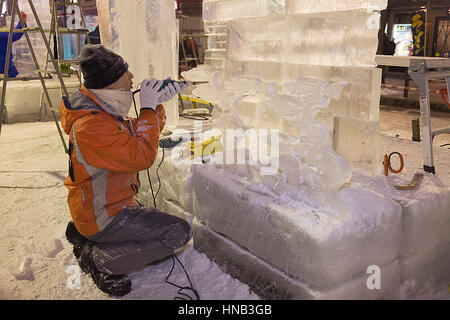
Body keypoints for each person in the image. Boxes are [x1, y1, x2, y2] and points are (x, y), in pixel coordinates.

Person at [60, 44, 191, 297]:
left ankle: (88, 235)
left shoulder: (100, 113)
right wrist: (147, 108)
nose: (131, 78)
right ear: (111, 83)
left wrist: (156, 106)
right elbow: (141, 155)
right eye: (125, 73)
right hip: (104, 214)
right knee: (178, 232)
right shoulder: (91, 125)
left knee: (152, 222)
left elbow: (137, 132)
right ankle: (100, 260)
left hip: (105, 206)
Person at [0, 11, 27, 78]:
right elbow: (16, 34)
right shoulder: (2, 36)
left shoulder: (3, 35)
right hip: (6, 68)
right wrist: (22, 22)